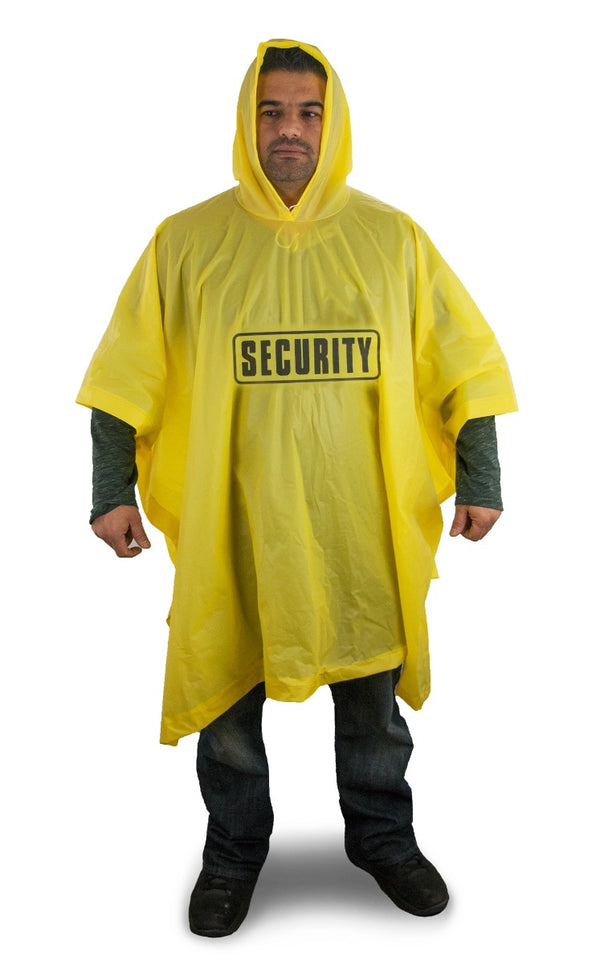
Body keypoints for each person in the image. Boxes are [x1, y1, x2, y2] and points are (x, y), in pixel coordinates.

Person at [77, 39, 517, 937]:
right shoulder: (186, 243)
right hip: (235, 525)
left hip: (361, 524)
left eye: (308, 113)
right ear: (248, 121)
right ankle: (234, 852)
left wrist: (482, 475)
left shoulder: (391, 241)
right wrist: (109, 489)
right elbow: (125, 375)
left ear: (333, 121)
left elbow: (463, 362)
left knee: (372, 704)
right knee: (227, 706)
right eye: (272, 111)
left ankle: (383, 839)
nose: (290, 130)